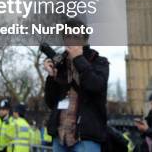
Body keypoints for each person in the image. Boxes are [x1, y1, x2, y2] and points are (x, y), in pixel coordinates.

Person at [44, 18, 109, 152]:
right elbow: (51, 102)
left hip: (85, 138)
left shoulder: (99, 62)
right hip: (60, 136)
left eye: (76, 36)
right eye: (67, 36)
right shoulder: (60, 64)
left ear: (85, 40)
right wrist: (52, 76)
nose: (71, 40)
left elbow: (96, 86)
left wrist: (78, 59)